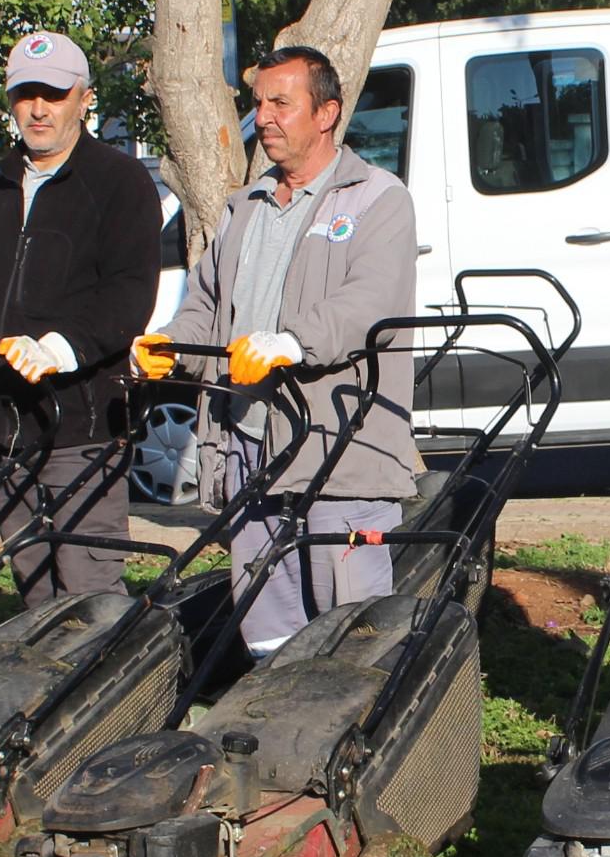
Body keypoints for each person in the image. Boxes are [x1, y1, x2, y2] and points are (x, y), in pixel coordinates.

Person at [139, 45, 418, 656]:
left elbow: (371, 303)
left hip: (339, 447)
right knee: (267, 619)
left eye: (280, 103)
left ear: (326, 113)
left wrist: (292, 342)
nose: (263, 117)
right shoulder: (245, 208)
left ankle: (360, 737)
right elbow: (207, 301)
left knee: (352, 629)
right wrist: (173, 343)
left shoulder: (377, 199)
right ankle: (276, 724)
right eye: (259, 102)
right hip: (248, 444)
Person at [0, 34, 162, 608]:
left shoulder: (119, 184)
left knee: (89, 588)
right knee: (35, 582)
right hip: (3, 422)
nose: (38, 109)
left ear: (84, 99)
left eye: (54, 94)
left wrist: (63, 347)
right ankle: (47, 692)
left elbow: (129, 293)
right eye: (25, 94)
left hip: (81, 420)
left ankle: (114, 691)